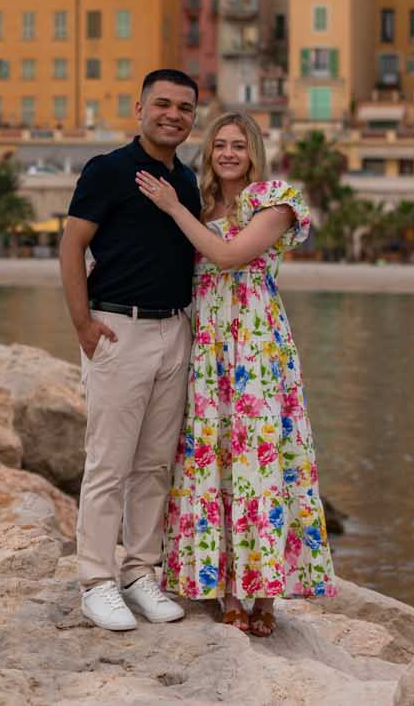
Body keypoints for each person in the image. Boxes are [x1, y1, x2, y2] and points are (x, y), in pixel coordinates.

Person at [135, 110, 334, 638]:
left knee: (262, 461)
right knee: (213, 458)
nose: (228, 153)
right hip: (206, 346)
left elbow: (227, 256)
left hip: (256, 346)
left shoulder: (274, 200)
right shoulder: (201, 205)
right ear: (209, 152)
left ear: (253, 153)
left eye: (238, 146)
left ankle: (265, 595)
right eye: (220, 144)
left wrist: (173, 208)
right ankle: (226, 591)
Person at [57, 68, 201, 632]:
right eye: (162, 104)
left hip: (174, 331)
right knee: (108, 464)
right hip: (119, 328)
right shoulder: (108, 170)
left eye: (184, 108)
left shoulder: (186, 182)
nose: (173, 115)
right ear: (139, 109)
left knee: (154, 465)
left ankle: (141, 572)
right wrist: (82, 325)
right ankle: (96, 581)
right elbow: (72, 246)